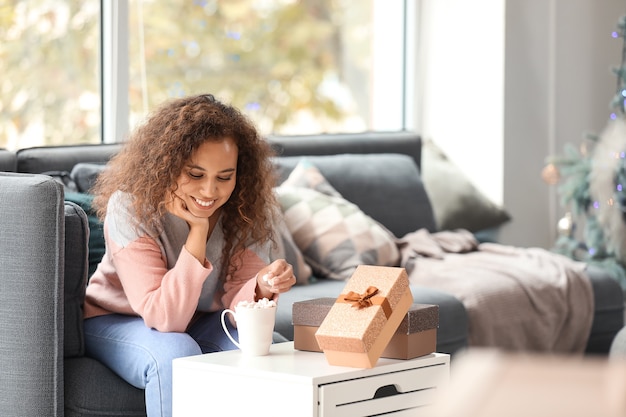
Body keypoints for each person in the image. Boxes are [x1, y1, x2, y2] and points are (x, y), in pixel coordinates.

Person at [83, 93, 297, 416]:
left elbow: (236, 307)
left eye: (224, 177)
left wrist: (262, 286)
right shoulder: (129, 208)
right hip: (116, 318)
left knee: (270, 349)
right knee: (176, 355)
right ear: (166, 165)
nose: (210, 191)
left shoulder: (247, 210)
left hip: (197, 320)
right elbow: (165, 317)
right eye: (195, 175)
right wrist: (197, 233)